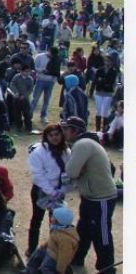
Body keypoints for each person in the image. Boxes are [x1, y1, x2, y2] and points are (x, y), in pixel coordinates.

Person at [61, 116, 118, 273]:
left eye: (66, 129)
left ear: (75, 131)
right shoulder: (84, 143)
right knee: (84, 230)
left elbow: (71, 172)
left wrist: (75, 172)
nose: (64, 132)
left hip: (101, 198)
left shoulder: (82, 144)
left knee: (101, 234)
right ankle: (77, 258)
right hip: (90, 197)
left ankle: (107, 268)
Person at [26, 123, 71, 256]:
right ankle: (32, 249)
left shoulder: (66, 151)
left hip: (59, 190)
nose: (54, 138)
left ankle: (53, 251)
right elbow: (38, 175)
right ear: (46, 137)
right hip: (41, 191)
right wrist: (51, 191)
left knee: (56, 222)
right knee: (37, 219)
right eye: (51, 135)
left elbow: (68, 172)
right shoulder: (39, 152)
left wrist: (63, 189)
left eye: (57, 134)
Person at [24, 207, 79, 274]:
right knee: (36, 256)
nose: (51, 218)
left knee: (46, 268)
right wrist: (44, 246)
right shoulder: (58, 229)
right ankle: (29, 271)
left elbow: (64, 256)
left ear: (58, 221)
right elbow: (51, 239)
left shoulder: (66, 239)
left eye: (53, 217)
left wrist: (60, 269)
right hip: (50, 251)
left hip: (55, 258)